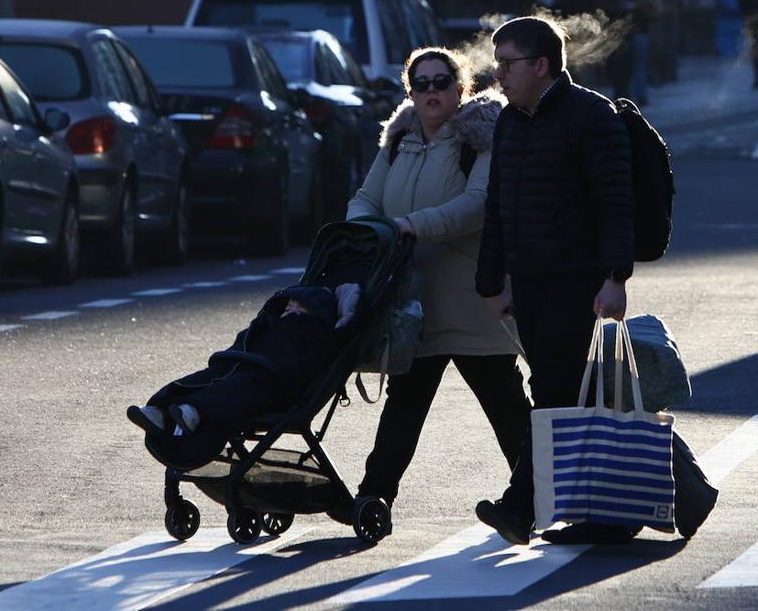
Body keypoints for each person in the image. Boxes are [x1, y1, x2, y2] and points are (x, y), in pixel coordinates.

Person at [347, 47, 532, 517]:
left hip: (473, 303)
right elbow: (366, 198)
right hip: (414, 306)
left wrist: (411, 225)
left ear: (460, 88)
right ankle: (373, 497)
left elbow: (478, 204)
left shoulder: (480, 140)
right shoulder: (400, 141)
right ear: (411, 92)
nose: (432, 91)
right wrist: (366, 231)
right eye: (421, 84)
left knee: (509, 414)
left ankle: (542, 494)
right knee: (402, 411)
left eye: (441, 82)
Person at [474, 16, 637, 546]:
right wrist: (491, 282)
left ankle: (520, 508)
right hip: (529, 284)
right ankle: (582, 505)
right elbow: (498, 204)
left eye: (507, 63)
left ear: (541, 65)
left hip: (577, 283)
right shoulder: (510, 121)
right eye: (497, 62)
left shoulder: (591, 116)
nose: (498, 73)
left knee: (552, 393)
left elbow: (617, 202)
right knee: (562, 394)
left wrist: (614, 277)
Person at [126, 282, 361, 469]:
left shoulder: (313, 337)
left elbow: (300, 363)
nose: (290, 313)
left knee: (234, 390)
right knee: (206, 377)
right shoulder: (271, 324)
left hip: (272, 381)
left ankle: (194, 411)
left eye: (299, 311)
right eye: (288, 308)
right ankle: (159, 408)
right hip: (244, 361)